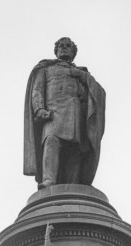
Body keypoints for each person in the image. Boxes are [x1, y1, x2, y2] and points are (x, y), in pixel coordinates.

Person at [24, 36, 105, 189]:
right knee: (51, 142)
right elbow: (37, 90)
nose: (64, 47)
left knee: (75, 150)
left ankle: (73, 185)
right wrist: (39, 108)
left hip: (74, 115)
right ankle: (49, 180)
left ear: (73, 52)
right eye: (61, 45)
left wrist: (83, 77)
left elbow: (97, 93)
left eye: (68, 46)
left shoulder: (81, 73)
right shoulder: (46, 69)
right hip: (53, 114)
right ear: (56, 51)